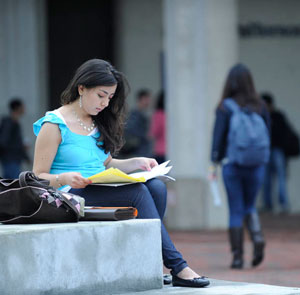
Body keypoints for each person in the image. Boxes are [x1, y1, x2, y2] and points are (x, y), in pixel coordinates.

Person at [32, 59, 210, 288]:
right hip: (70, 196)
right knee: (137, 192)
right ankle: (177, 266)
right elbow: (37, 177)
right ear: (82, 88)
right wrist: (63, 178)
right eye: (101, 95)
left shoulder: (95, 123)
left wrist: (137, 162)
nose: (105, 103)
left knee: (156, 186)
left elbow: (106, 165)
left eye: (110, 98)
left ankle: (151, 263)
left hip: (99, 188)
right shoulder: (54, 124)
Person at [210, 64, 270, 269]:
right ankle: (258, 237)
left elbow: (218, 137)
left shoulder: (225, 107)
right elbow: (268, 134)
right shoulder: (260, 105)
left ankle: (237, 257)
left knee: (236, 210)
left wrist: (214, 160)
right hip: (256, 164)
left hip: (233, 164)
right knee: (250, 206)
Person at [261, 92, 290, 213]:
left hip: (277, 150)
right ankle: (268, 205)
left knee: (281, 178)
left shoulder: (278, 116)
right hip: (266, 151)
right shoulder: (261, 116)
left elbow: (284, 134)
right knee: (265, 179)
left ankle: (284, 205)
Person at [0, 98, 30, 178]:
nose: (24, 109)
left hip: (13, 159)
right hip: (10, 159)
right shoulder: (9, 123)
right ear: (18, 108)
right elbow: (3, 141)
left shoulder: (14, 123)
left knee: (8, 185)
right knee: (13, 184)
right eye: (23, 106)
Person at [121, 89, 152, 157]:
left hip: (142, 150)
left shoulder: (143, 114)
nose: (148, 102)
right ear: (140, 99)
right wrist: (145, 135)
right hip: (137, 151)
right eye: (146, 99)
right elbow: (129, 129)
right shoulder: (135, 114)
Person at [149, 91, 166, 164]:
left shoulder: (158, 114)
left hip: (160, 150)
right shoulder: (173, 114)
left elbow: (154, 133)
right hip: (174, 151)